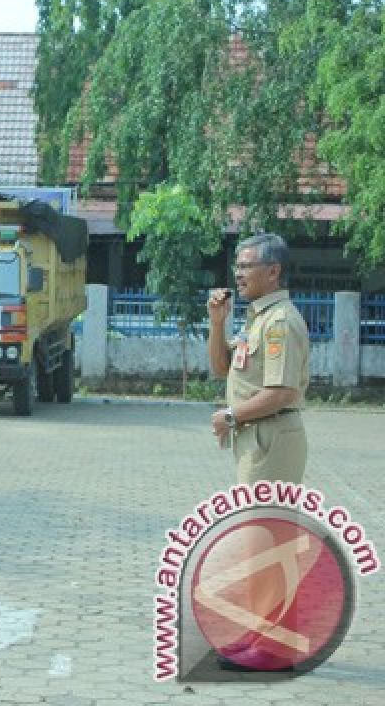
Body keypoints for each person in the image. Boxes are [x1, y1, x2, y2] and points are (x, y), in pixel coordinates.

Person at [206, 232, 310, 672]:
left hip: (271, 438)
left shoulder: (280, 321)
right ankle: (262, 635)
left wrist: (231, 416)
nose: (239, 273)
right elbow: (221, 368)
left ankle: (274, 648)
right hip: (257, 439)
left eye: (248, 266)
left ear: (273, 271)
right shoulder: (258, 318)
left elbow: (282, 391)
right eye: (238, 266)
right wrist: (218, 322)